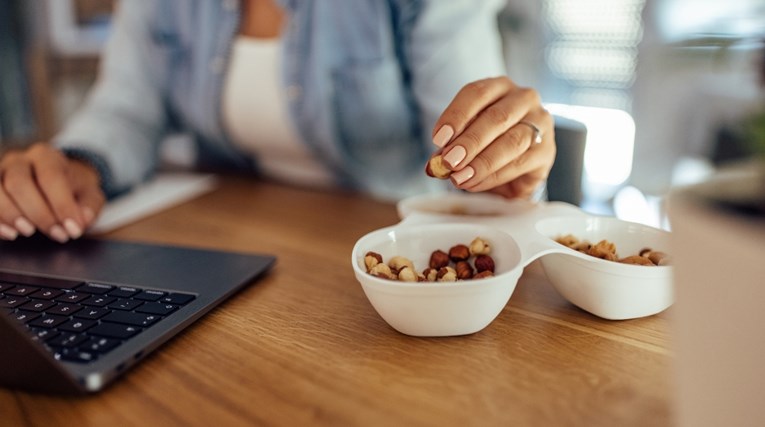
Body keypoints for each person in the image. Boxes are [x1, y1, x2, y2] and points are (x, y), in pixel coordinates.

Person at [0, 0, 555, 243]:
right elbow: (126, 107)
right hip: (228, 250)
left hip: (393, 248)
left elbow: (473, 119)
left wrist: (500, 151)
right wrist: (80, 163)